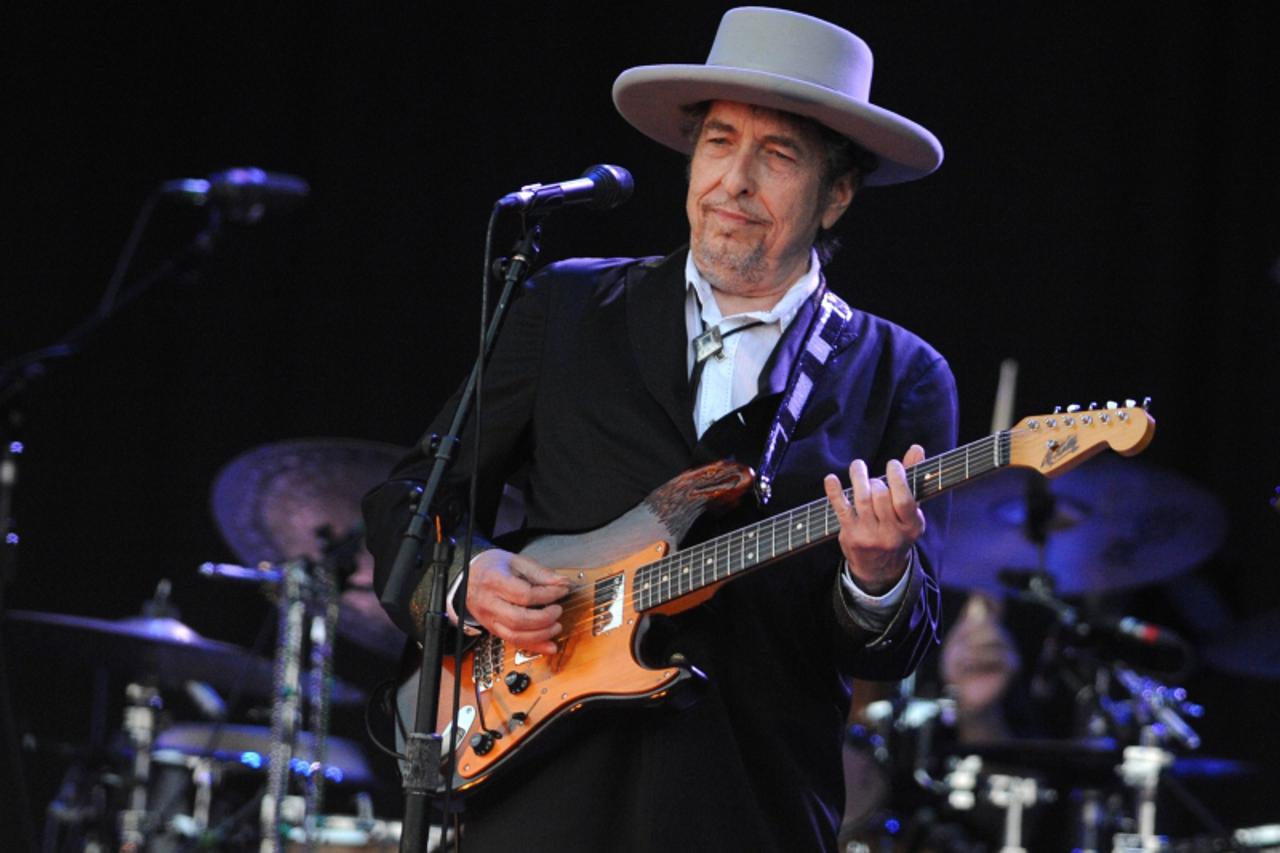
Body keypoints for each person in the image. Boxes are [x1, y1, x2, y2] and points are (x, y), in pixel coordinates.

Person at [363, 7, 958, 852]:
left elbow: (895, 648)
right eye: (718, 142)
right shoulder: (565, 305)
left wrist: (878, 571)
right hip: (539, 794)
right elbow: (411, 497)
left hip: (749, 806)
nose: (733, 182)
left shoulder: (902, 373)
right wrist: (469, 577)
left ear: (838, 195)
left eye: (778, 155)